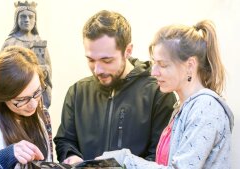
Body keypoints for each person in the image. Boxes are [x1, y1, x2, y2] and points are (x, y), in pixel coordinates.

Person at [96, 20, 234, 169]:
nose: (154, 72)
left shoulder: (206, 108)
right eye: (154, 63)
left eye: (162, 65)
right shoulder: (183, 107)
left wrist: (125, 159)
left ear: (190, 65)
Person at [53, 10, 176, 165]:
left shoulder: (158, 92)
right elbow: (65, 141)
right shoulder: (77, 92)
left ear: (128, 51)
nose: (98, 70)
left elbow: (159, 157)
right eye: (91, 60)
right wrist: (72, 158)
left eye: (107, 60)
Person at [2, 1, 52, 109]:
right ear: (17, 19)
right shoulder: (10, 43)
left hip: (36, 99)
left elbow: (48, 70)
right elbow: (1, 73)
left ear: (35, 20)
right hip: (15, 98)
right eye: (23, 16)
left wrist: (44, 70)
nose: (27, 20)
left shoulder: (40, 43)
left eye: (30, 16)